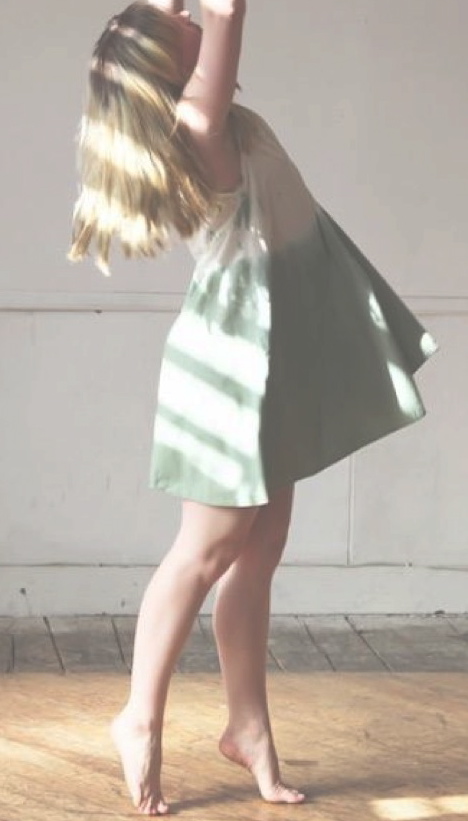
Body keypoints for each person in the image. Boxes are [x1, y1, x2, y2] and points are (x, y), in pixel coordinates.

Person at [67, 0, 439, 815]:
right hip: (229, 367)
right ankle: (139, 716)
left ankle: (248, 725)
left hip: (270, 356)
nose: (187, 8)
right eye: (176, 12)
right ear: (172, 66)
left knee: (258, 548)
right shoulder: (200, 124)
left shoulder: (216, 119)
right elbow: (227, 9)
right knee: (205, 550)